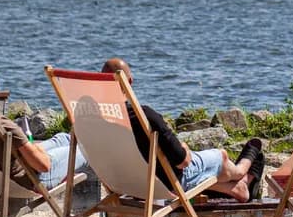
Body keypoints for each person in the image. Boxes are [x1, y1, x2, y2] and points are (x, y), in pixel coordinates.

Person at [100, 58, 262, 202]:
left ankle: (238, 189)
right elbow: (182, 162)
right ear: (130, 81)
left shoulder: (96, 119)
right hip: (168, 184)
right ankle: (241, 173)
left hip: (131, 186)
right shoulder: (144, 116)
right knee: (221, 156)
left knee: (194, 162)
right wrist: (184, 148)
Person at [0, 63, 90, 190]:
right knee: (85, 149)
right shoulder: (1, 124)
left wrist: (33, 150)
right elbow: (43, 166)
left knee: (63, 138)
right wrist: (39, 153)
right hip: (30, 179)